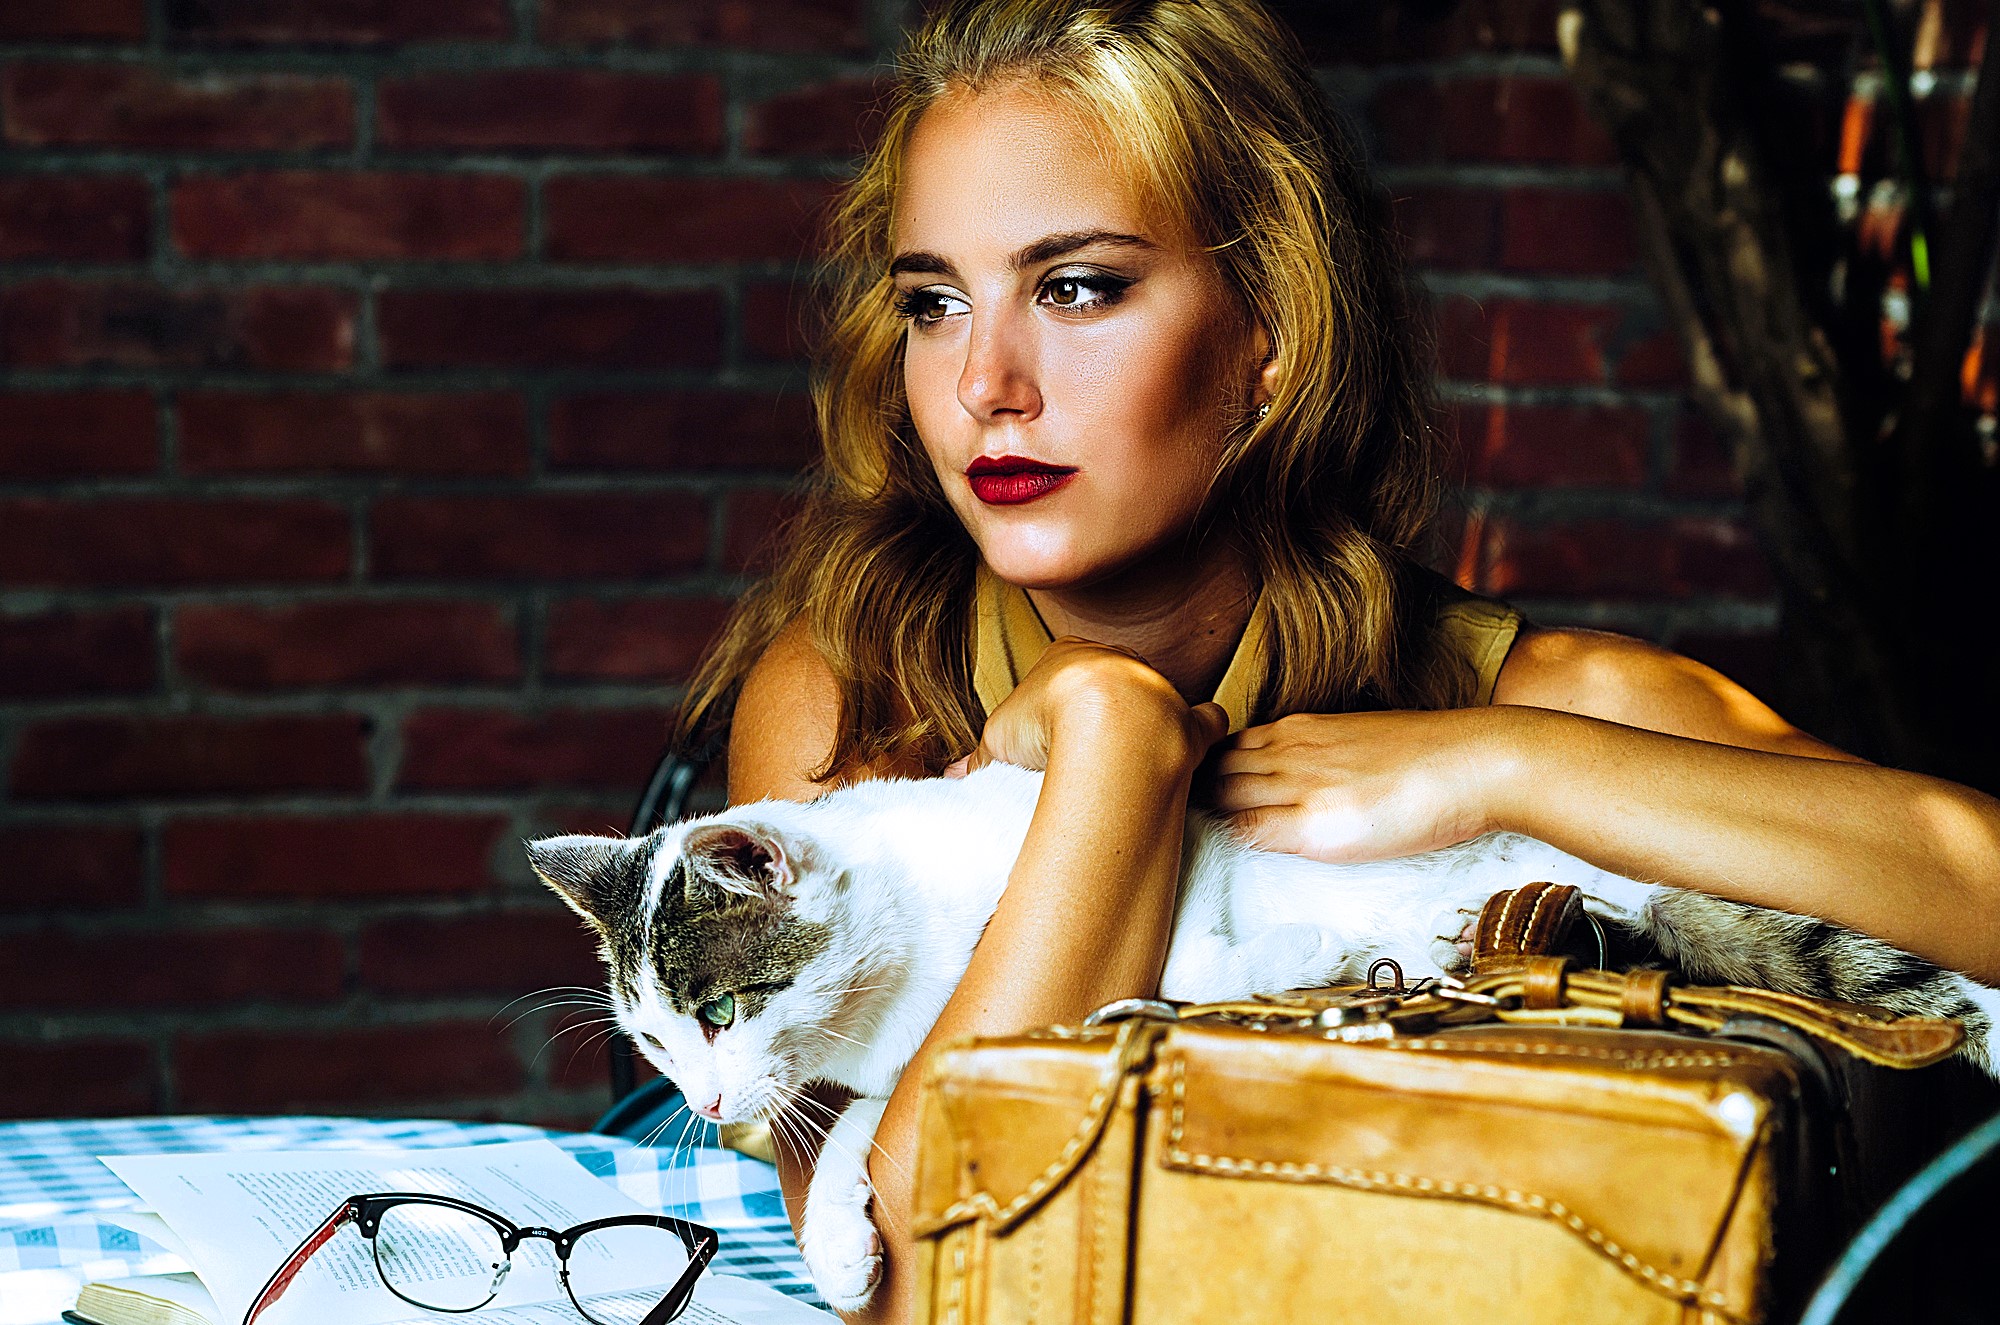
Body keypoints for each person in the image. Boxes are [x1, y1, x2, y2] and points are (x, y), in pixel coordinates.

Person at [674, 0, 2000, 1318]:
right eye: (933, 303)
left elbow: (1970, 880)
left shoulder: (1516, 695)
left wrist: (1504, 765)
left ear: (1272, 334)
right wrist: (1114, 745)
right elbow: (917, 1284)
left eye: (1078, 287)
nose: (984, 384)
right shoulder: (851, 695)